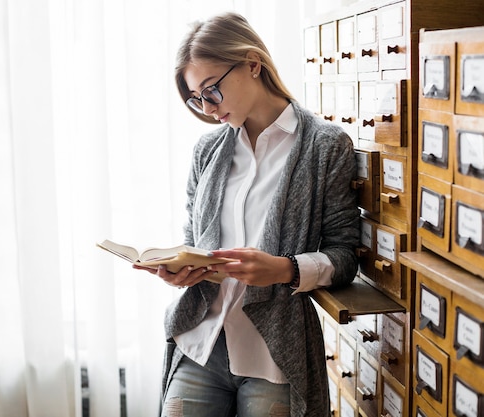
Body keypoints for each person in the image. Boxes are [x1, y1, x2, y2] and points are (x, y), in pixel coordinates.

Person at [134, 11, 360, 417]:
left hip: (272, 355)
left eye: (211, 90)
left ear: (252, 64)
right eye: (196, 98)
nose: (206, 107)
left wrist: (285, 269)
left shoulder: (325, 146)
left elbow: (345, 257)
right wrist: (181, 268)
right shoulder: (207, 151)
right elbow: (194, 240)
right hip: (200, 342)